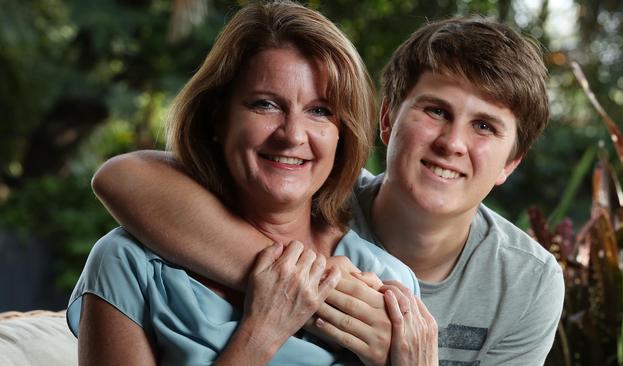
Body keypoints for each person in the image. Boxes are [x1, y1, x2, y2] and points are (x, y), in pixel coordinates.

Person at [91, 13, 564, 366]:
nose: (452, 144)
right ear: (386, 120)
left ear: (511, 163)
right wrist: (306, 297)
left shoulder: (525, 282)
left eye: (484, 126)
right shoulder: (312, 195)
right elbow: (120, 177)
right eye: (436, 111)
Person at [66, 2, 429, 365]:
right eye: (265, 105)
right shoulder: (126, 263)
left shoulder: (383, 284)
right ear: (217, 120)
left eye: (319, 111)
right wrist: (262, 332)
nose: (292, 135)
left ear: (341, 135)